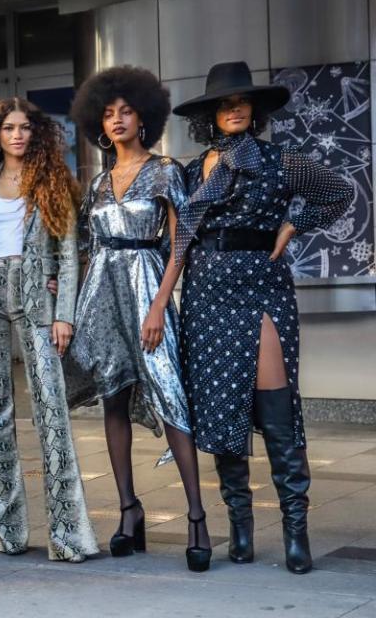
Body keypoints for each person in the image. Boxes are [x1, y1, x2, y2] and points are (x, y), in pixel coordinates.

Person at [172, 61, 352, 574]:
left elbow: (339, 192)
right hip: (206, 296)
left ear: (254, 112)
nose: (235, 108)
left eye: (243, 102)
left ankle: (297, 531)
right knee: (223, 411)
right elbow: (176, 241)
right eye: (225, 103)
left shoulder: (281, 160)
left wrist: (294, 224)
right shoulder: (189, 171)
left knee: (276, 410)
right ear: (210, 113)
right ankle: (241, 529)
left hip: (262, 288)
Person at [66, 67, 211, 571]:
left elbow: (181, 244)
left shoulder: (167, 170)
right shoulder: (100, 181)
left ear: (144, 116)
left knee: (171, 394)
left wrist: (159, 306)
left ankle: (196, 516)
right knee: (113, 398)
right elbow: (86, 248)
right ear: (97, 124)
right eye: (108, 114)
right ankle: (129, 510)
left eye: (126, 111)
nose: (117, 120)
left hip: (149, 285)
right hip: (102, 293)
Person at [0, 97, 98, 563]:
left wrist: (65, 314)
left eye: (24, 128)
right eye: (8, 128)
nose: (17, 135)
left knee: (50, 410)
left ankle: (69, 535)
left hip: (38, 296)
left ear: (37, 133)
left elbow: (69, 250)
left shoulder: (53, 180)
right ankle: (8, 530)